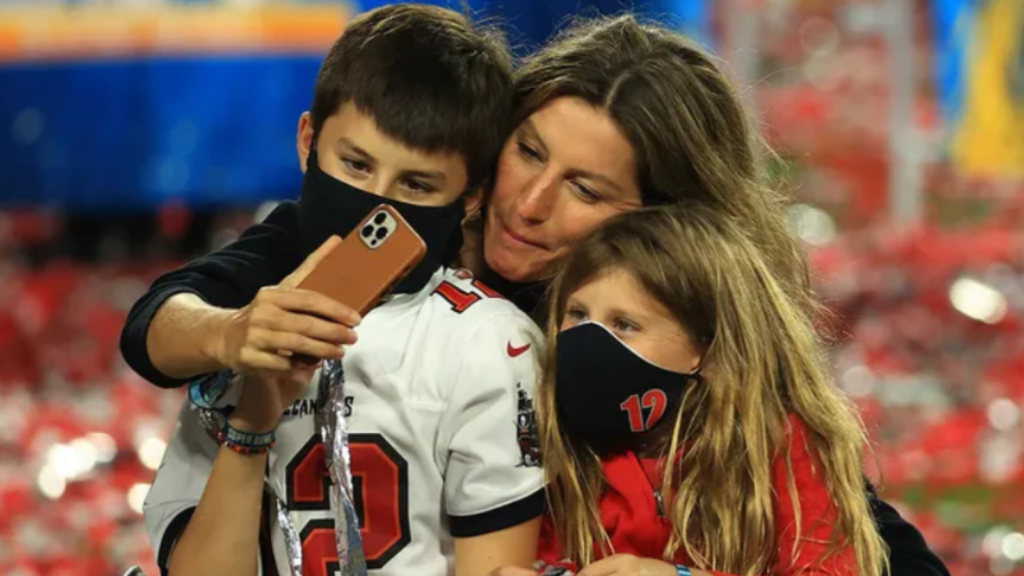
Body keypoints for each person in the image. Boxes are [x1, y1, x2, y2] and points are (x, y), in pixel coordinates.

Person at [123, 13, 949, 576]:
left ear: (658, 226)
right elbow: (170, 312)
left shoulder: (669, 346)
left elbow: (876, 547)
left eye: (586, 189)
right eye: (527, 151)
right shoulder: (402, 238)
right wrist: (231, 335)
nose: (529, 203)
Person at [142, 6, 545, 576]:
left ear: (472, 197)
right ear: (308, 142)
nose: (376, 205)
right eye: (355, 165)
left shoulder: (489, 343)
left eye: (416, 184)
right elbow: (153, 325)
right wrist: (251, 410)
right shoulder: (252, 315)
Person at [493, 204, 887, 576]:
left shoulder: (777, 442)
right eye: (577, 315)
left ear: (708, 349)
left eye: (624, 324)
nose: (588, 340)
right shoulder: (547, 435)